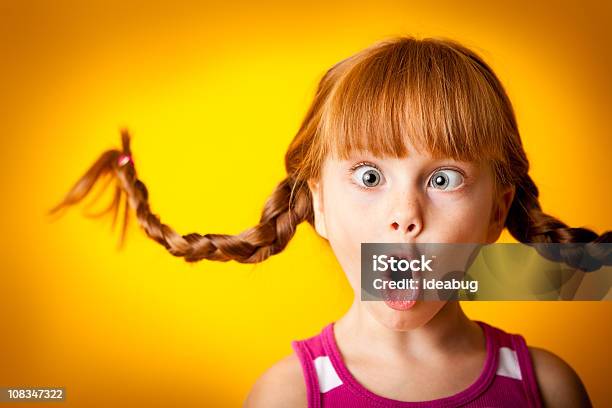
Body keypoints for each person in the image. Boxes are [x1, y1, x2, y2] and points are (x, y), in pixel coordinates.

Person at [50, 35, 606, 407]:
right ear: (317, 203)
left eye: (443, 179)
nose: (404, 217)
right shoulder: (287, 396)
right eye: (369, 177)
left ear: (496, 212)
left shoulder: (550, 389)